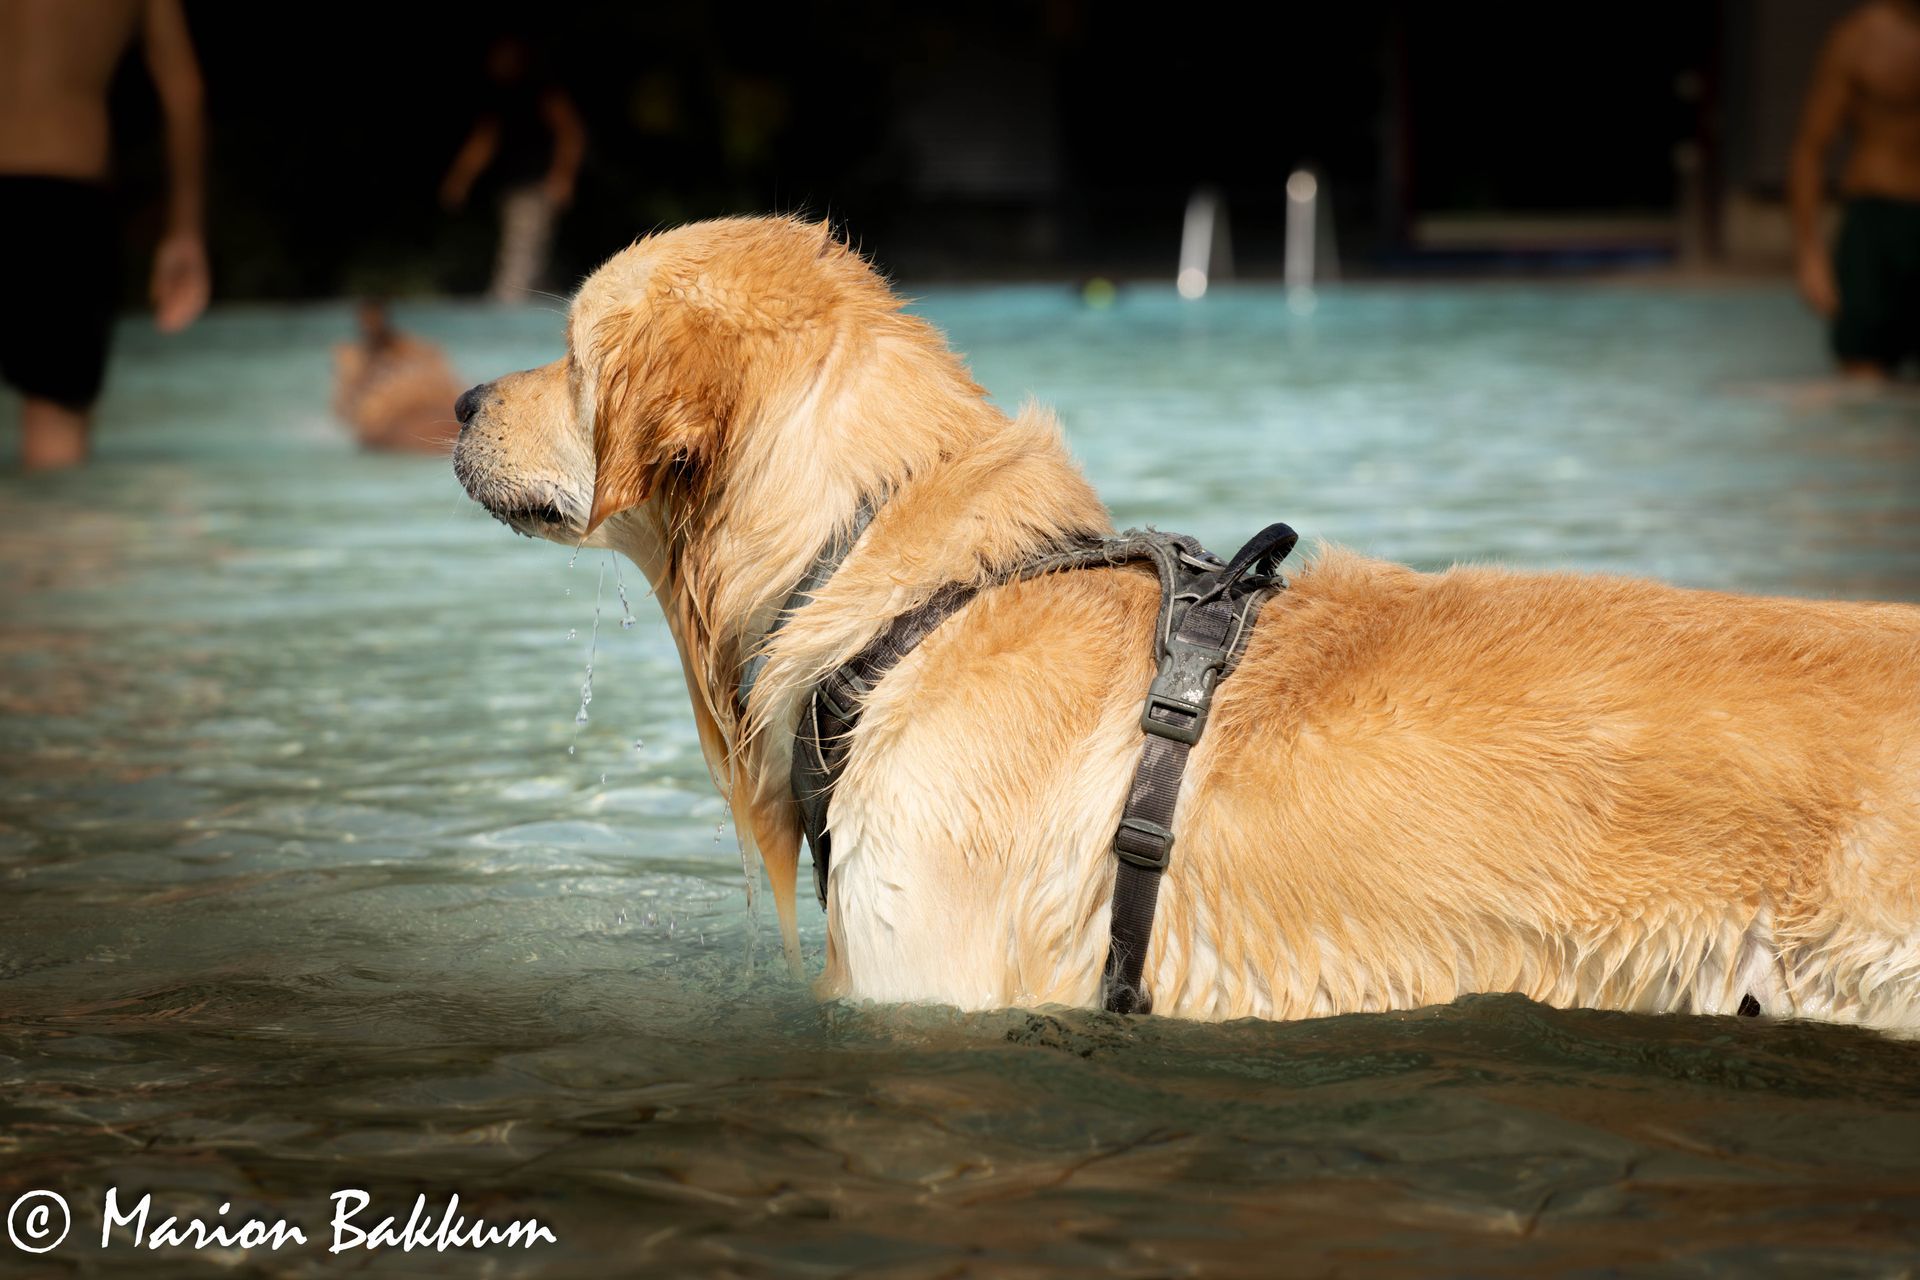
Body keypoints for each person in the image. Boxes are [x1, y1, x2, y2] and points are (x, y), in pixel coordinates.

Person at [0, 0, 210, 470]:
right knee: (55, 428)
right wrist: (185, 231)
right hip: (64, 198)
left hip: (65, 199)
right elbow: (184, 90)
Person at [1791, 0, 1920, 379]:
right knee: (1862, 383)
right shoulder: (1859, 38)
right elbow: (1810, 149)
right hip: (1876, 221)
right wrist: (1810, 254)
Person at [439, 36, 585, 302]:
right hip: (510, 189)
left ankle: (504, 307)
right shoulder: (498, 97)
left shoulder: (542, 91)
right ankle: (547, 306)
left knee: (520, 254)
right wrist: (460, 180)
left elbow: (570, 133)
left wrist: (563, 176)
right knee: (535, 260)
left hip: (537, 186)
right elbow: (484, 143)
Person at [331, 301, 464, 454]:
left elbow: (443, 376)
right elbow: (344, 403)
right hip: (383, 415)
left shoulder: (412, 348)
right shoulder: (352, 355)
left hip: (399, 410)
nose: (370, 327)